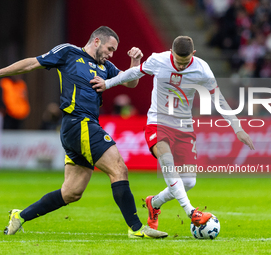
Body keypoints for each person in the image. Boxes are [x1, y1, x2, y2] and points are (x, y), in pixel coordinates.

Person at [0, 26, 168, 239]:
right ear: (96, 41)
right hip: (79, 124)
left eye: (114, 51)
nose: (111, 54)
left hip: (80, 130)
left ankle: (20, 216)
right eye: (109, 48)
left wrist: (135, 63)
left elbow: (130, 82)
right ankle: (136, 228)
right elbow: (32, 63)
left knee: (71, 193)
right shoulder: (68, 52)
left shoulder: (105, 66)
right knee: (118, 169)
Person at [91, 36, 255, 230]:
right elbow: (134, 72)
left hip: (184, 128)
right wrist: (108, 83)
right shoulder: (158, 60)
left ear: (193, 54)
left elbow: (218, 100)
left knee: (188, 181)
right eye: (177, 61)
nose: (180, 66)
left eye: (185, 62)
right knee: (167, 162)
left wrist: (238, 128)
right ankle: (191, 211)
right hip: (158, 123)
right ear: (171, 52)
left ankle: (155, 203)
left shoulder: (202, 69)